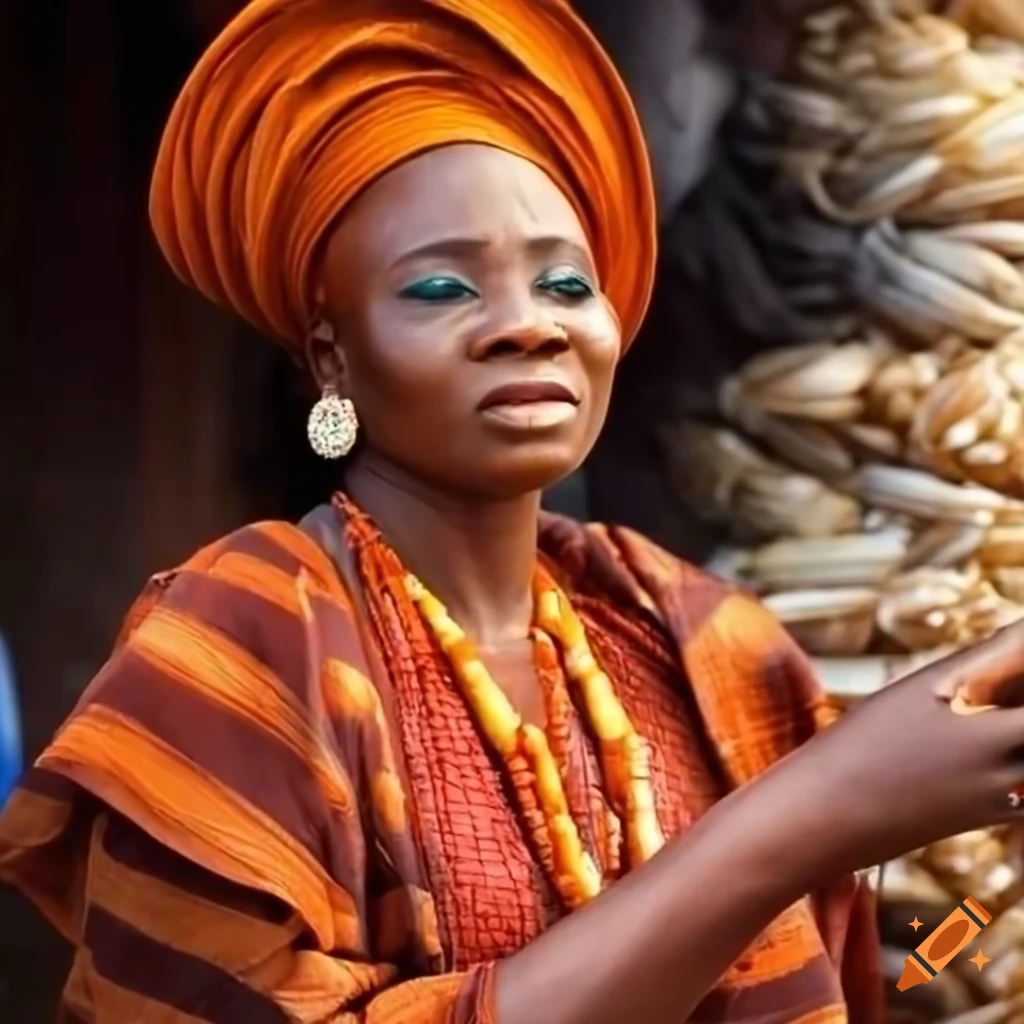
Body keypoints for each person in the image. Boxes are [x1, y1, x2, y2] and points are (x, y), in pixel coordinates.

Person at [4, 2, 1024, 1021]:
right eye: (443, 288)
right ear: (332, 355)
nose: (525, 325)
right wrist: (807, 814)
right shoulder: (247, 646)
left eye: (566, 283)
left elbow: (898, 965)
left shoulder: (706, 647)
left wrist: (973, 926)